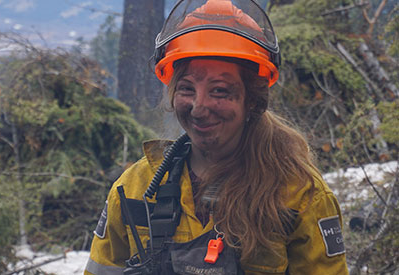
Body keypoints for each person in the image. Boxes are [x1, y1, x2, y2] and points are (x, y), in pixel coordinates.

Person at [85, 0, 349, 274]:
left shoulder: (299, 196)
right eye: (187, 88)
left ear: (253, 101)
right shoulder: (136, 188)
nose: (199, 108)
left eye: (220, 91)